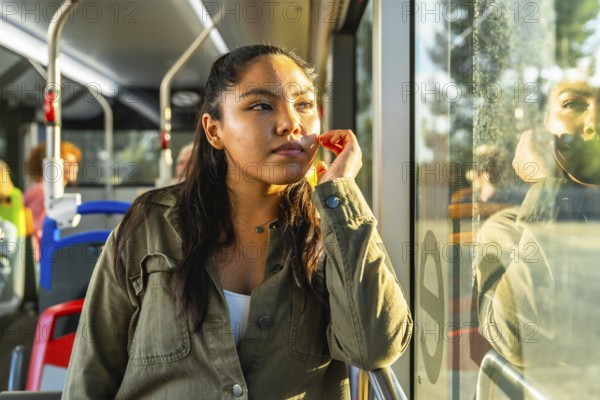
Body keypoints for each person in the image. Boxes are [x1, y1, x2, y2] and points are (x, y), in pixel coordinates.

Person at [63, 45, 412, 398]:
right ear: (214, 131)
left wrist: (340, 192)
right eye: (261, 105)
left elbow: (374, 346)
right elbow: (92, 372)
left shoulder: (332, 228)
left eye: (304, 104)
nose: (291, 123)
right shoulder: (152, 224)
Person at [476, 74, 600, 369]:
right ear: (546, 129)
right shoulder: (508, 232)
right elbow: (523, 341)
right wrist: (547, 189)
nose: (593, 122)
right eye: (572, 104)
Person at [23, 141, 81, 250]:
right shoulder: (44, 192)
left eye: (75, 162)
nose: (74, 166)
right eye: (68, 162)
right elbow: (36, 230)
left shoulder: (43, 189)